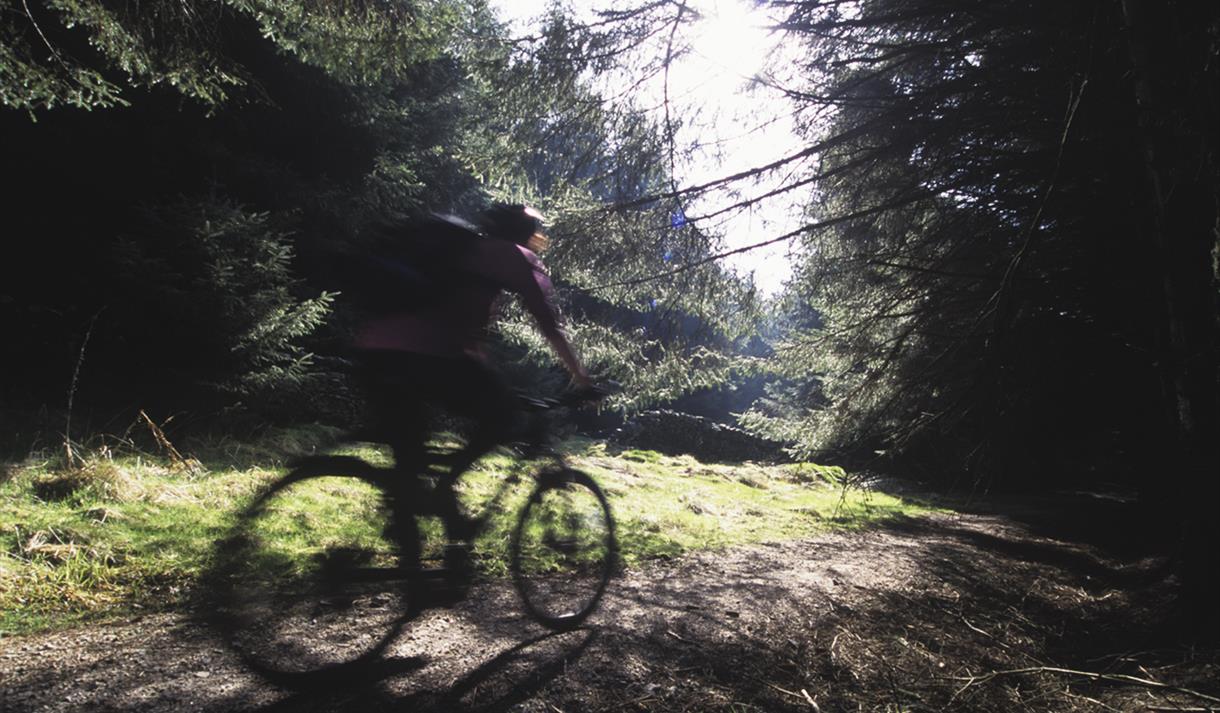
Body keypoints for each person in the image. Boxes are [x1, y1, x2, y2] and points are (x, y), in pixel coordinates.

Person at [351, 203, 591, 559]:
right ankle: (444, 492)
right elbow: (549, 324)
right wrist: (581, 378)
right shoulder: (511, 255)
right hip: (430, 355)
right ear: (525, 234)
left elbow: (463, 332)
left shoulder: (458, 250)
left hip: (372, 350)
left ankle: (415, 569)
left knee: (409, 461)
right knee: (503, 417)